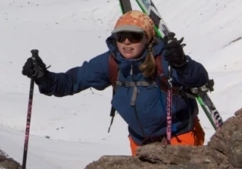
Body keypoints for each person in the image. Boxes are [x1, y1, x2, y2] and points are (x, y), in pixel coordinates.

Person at [22, 11, 207, 155]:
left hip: (180, 140)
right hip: (140, 144)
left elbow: (198, 80)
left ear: (147, 38)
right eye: (121, 37)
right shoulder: (111, 62)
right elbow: (71, 81)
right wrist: (43, 78)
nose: (126, 42)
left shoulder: (165, 59)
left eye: (134, 36)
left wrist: (182, 64)